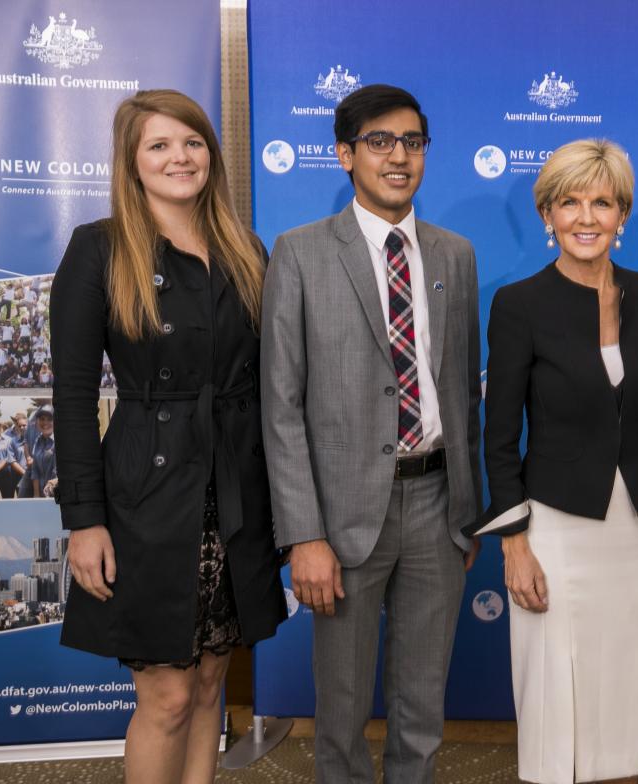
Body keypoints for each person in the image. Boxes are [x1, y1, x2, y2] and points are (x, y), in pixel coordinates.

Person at [51, 89, 286, 784]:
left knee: (211, 687)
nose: (180, 157)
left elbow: (272, 380)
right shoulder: (98, 249)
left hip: (237, 492)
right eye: (159, 145)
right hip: (147, 496)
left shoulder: (245, 249)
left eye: (192, 142)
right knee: (168, 695)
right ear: (131, 161)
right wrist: (84, 522)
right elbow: (71, 396)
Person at [261, 83, 483, 784]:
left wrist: (467, 510)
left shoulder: (456, 255)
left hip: (438, 506)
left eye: (412, 143)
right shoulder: (298, 254)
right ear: (344, 155)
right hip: (342, 518)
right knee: (343, 711)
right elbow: (281, 405)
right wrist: (304, 535)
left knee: (422, 707)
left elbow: (461, 391)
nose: (399, 157)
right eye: (380, 142)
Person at [466, 138, 638, 784]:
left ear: (622, 217)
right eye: (570, 203)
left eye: (602, 203)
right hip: (552, 528)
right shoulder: (518, 305)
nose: (586, 218)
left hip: (633, 529)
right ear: (548, 216)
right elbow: (498, 437)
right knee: (555, 699)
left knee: (623, 689)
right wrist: (514, 544)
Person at [27, 404, 56, 496]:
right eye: (42, 419)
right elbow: (35, 471)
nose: (45, 422)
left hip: (56, 494)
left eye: (49, 419)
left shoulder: (60, 442)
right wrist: (36, 495)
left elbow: (58, 472)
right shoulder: (37, 441)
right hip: (41, 493)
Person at [0, 420, 25, 498]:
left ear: (1, 427)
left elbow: (10, 456)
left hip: (6, 474)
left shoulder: (8, 440)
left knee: (7, 498)